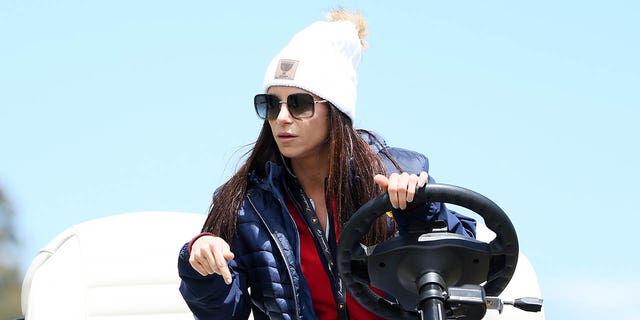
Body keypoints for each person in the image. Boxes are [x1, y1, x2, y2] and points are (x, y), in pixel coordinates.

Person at [178, 9, 476, 320]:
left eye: (299, 103)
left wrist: (419, 211)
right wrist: (199, 264)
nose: (281, 118)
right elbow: (224, 313)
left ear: (336, 111)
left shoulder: (396, 172)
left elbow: (465, 262)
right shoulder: (246, 202)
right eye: (270, 104)